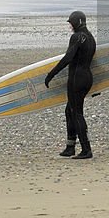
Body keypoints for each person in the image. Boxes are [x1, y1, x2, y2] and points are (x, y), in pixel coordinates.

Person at [44, 10, 96, 159]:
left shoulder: (77, 37)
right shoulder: (91, 37)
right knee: (69, 111)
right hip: (87, 78)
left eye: (71, 23)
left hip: (76, 79)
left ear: (78, 22)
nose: (70, 26)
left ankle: (86, 150)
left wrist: (51, 74)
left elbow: (68, 58)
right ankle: (70, 146)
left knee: (76, 113)